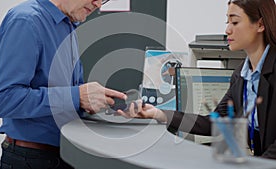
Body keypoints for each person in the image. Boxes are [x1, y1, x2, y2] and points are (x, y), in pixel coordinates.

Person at [118, 0, 276, 159]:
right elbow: (214, 123)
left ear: (260, 24)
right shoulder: (241, 75)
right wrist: (159, 113)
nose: (227, 30)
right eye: (227, 22)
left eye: (235, 22)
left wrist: (258, 165)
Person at [0, 0, 126, 168]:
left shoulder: (68, 25)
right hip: (31, 159)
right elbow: (4, 100)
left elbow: (66, 95)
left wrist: (98, 103)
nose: (98, 4)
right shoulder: (26, 20)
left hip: (62, 155)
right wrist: (77, 96)